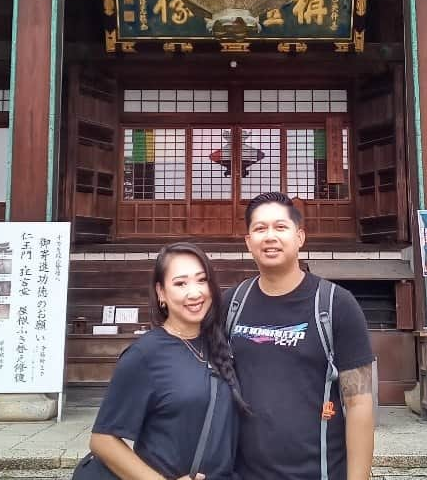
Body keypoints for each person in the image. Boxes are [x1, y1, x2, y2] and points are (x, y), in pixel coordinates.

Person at [225, 192, 375, 480]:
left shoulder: (335, 305)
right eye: (260, 228)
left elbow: (359, 403)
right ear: (248, 242)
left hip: (317, 472)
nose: (270, 237)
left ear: (300, 237)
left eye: (280, 227)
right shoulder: (232, 304)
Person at [90, 242, 245, 480]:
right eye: (181, 283)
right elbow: (103, 440)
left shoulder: (220, 343)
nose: (194, 293)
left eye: (201, 280)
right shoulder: (145, 355)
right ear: (161, 292)